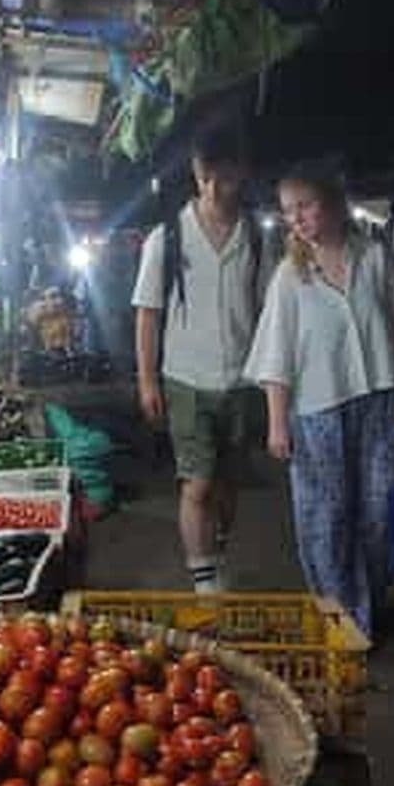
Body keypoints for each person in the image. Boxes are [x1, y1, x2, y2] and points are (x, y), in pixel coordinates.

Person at [244, 160, 394, 637]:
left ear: (331, 203)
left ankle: (367, 607)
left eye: (305, 206)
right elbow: (275, 355)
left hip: (380, 401)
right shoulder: (290, 276)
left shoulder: (373, 258)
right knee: (325, 520)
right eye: (289, 211)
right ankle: (340, 621)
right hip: (317, 412)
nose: (298, 219)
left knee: (378, 512)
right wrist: (277, 422)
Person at [132, 129, 269, 591]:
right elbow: (148, 312)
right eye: (205, 177)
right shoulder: (167, 238)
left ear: (242, 176)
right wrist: (147, 381)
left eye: (225, 179)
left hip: (242, 380)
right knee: (197, 484)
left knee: (228, 486)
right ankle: (204, 579)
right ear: (196, 173)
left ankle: (217, 551)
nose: (213, 189)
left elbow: (272, 311)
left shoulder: (255, 235)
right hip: (185, 379)